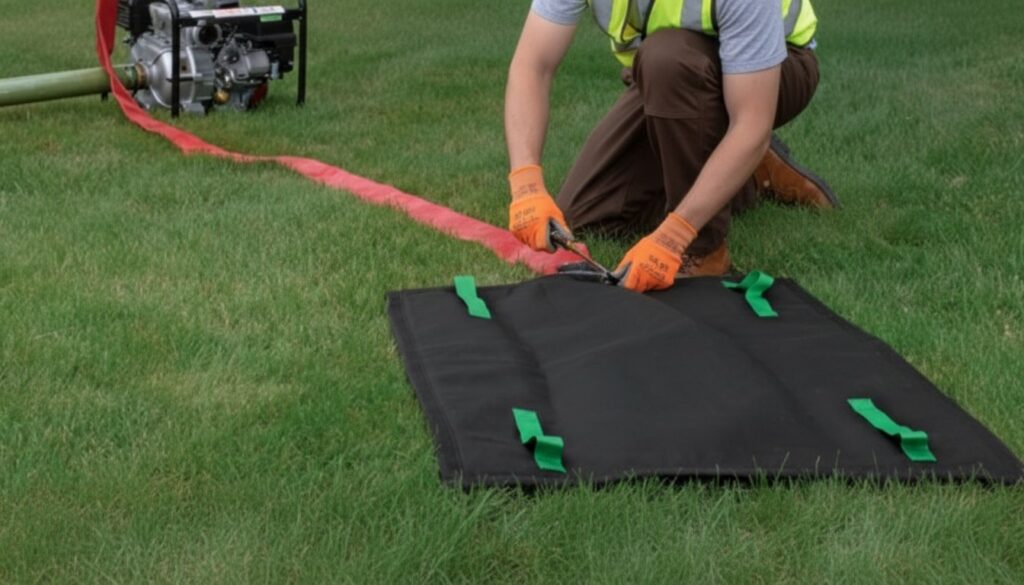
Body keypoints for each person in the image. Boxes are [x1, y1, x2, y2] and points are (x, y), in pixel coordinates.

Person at [505, 0, 838, 292]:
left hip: (774, 69)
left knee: (668, 59)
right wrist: (526, 185)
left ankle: (704, 249)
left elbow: (752, 124)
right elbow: (533, 66)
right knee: (586, 215)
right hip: (672, 76)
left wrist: (674, 237)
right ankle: (748, 172)